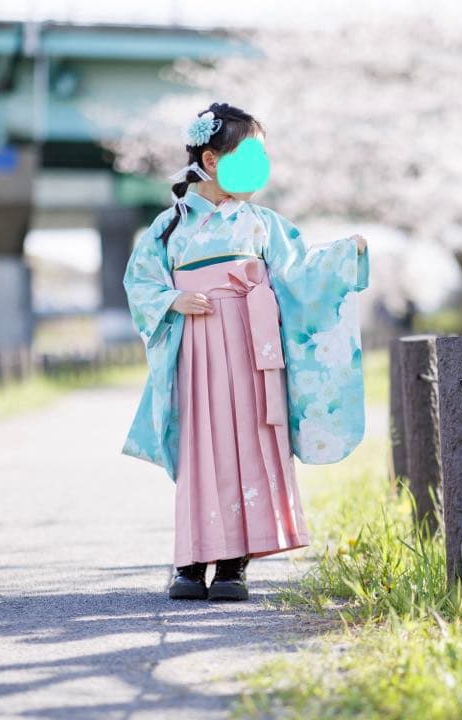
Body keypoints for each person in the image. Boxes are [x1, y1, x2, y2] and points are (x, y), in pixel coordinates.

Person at [121, 102, 370, 601]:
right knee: (202, 445)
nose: (259, 167)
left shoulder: (262, 224)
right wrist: (172, 299)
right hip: (198, 343)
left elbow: (299, 271)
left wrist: (344, 254)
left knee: (251, 441)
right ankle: (190, 564)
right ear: (212, 161)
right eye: (248, 155)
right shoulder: (170, 226)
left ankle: (236, 563)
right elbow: (139, 279)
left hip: (253, 347)